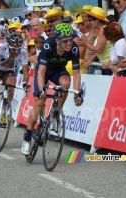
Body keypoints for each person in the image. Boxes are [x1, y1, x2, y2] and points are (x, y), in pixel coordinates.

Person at [21, 23, 83, 155]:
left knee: (66, 83)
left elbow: (77, 74)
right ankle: (27, 137)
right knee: (38, 103)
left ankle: (55, 114)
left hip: (58, 71)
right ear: (57, 40)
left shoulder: (74, 49)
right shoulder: (48, 45)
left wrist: (76, 94)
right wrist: (41, 91)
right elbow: (41, 72)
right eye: (65, 41)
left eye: (71, 39)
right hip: (44, 71)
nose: (69, 43)